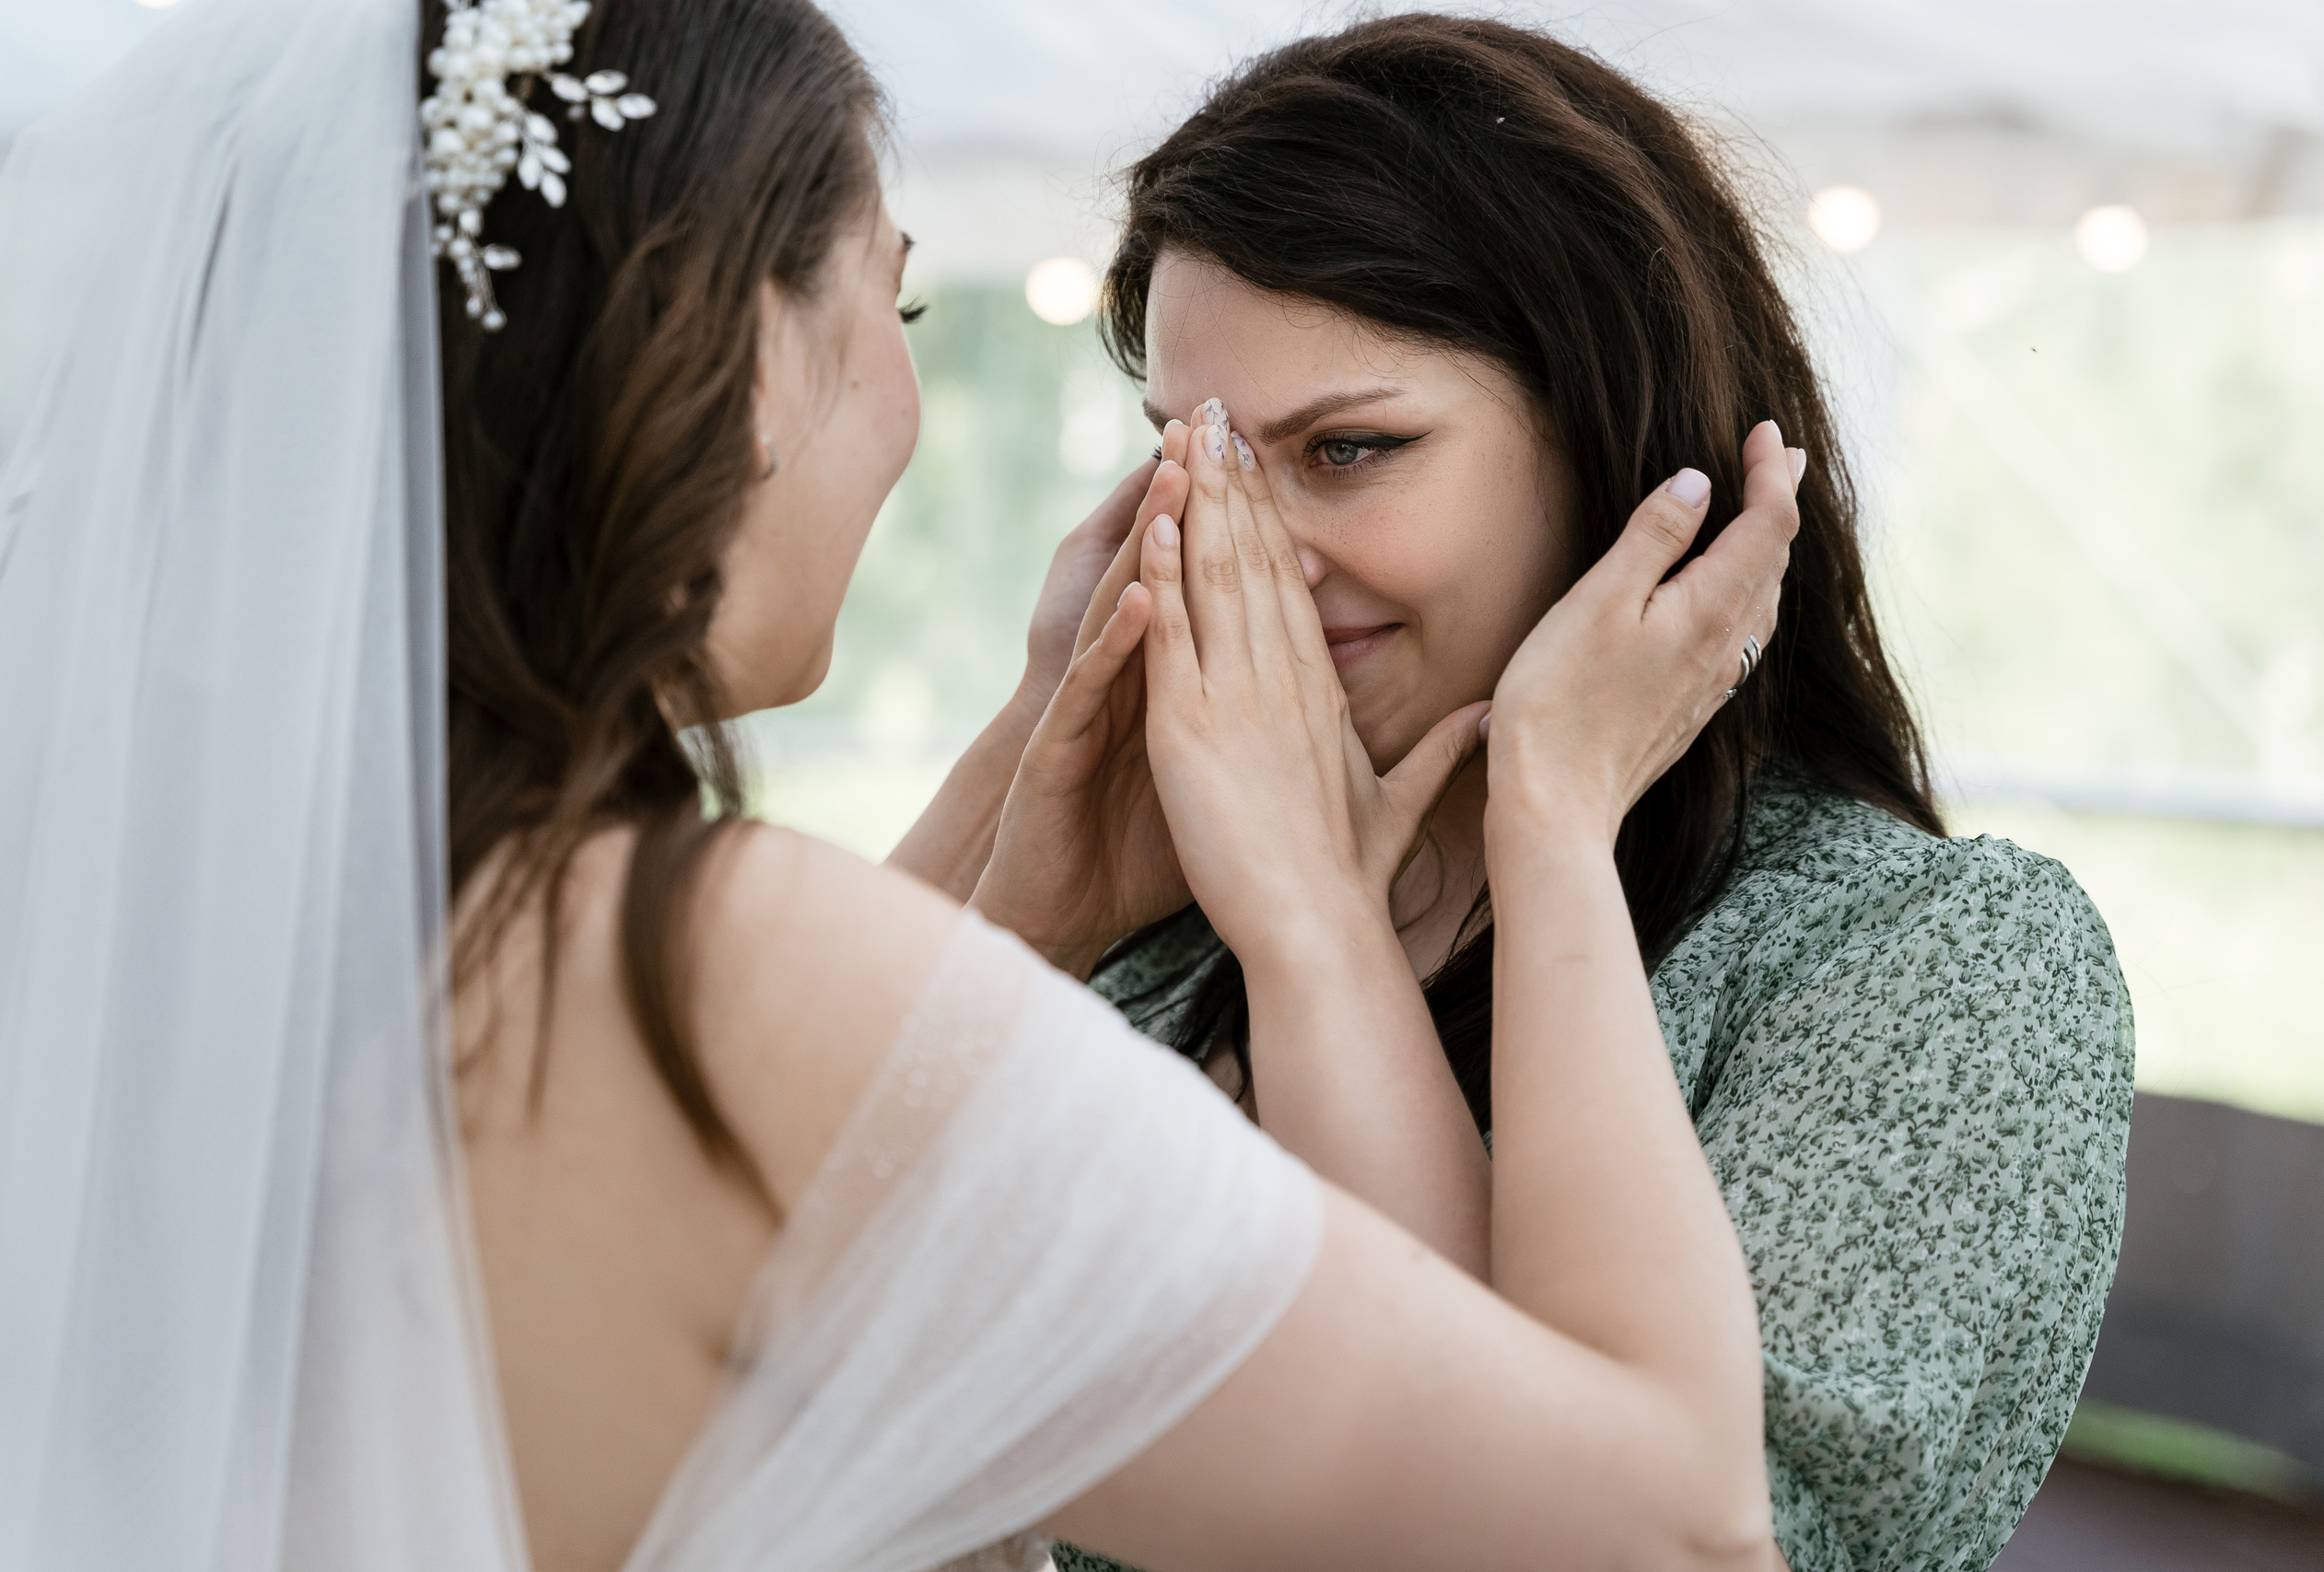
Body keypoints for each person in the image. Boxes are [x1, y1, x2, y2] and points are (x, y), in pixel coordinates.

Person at [0, 2, 1804, 1570]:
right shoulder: (704, 973)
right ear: (746, 359)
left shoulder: (188, 929)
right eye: (895, 318)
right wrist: (1545, 811)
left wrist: (1024, 887)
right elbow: (1667, 1529)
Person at [894, 17, 2135, 1572]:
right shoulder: (1157, 944)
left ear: (1615, 452)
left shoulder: (1937, 966)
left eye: (1348, 448)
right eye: (1194, 458)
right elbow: (767, 1356)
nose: (1241, 547)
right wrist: (1031, 836)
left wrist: (1489, 852)